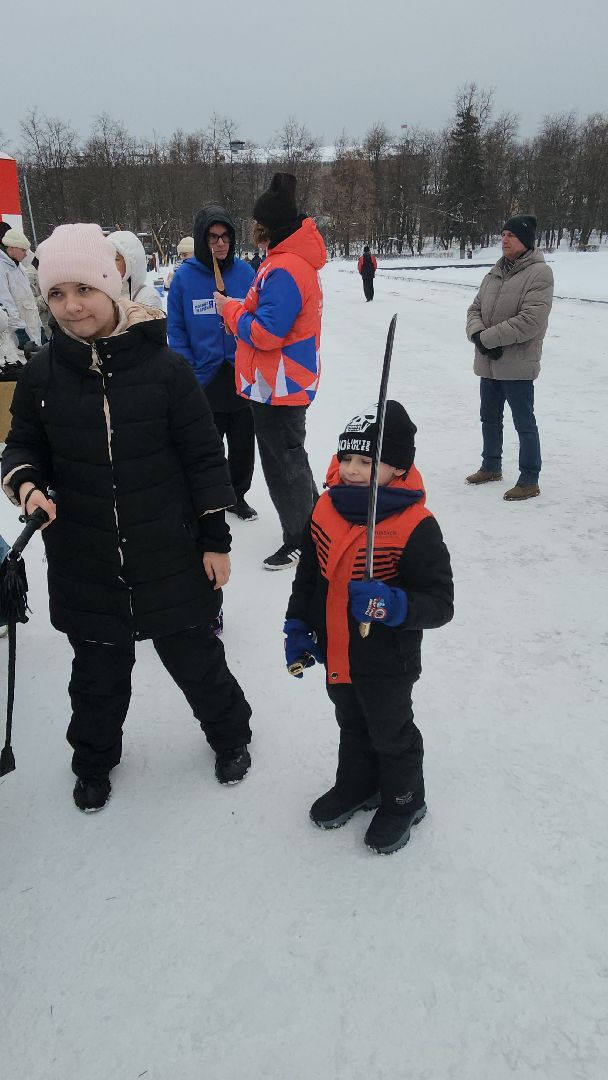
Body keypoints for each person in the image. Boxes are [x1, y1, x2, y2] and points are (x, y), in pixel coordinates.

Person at [1, 223, 253, 813]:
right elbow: (20, 448)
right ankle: (93, 762)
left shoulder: (165, 371)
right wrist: (28, 484)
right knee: (96, 677)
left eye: (82, 290)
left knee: (197, 660)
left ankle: (231, 735)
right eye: (56, 294)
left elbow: (203, 461)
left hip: (168, 550)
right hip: (84, 557)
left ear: (113, 288)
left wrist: (215, 541)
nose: (70, 306)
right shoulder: (42, 374)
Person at [283, 401, 454, 855]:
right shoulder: (325, 507)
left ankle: (403, 799)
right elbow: (309, 575)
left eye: (368, 461)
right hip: (336, 650)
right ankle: (358, 784)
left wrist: (392, 604)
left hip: (386, 660)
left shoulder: (415, 525)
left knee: (389, 730)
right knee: (351, 723)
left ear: (398, 468)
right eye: (347, 459)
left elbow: (440, 603)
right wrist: (298, 624)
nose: (353, 470)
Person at [215, 173, 326, 570]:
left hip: (279, 383)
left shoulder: (285, 268)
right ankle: (314, 525)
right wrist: (239, 309)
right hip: (277, 382)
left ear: (268, 229)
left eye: (257, 227)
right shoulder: (283, 263)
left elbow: (265, 332)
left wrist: (229, 311)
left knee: (283, 463)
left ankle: (300, 538)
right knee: (289, 457)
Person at [168, 205, 257, 522]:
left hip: (240, 374)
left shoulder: (245, 274)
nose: (220, 244)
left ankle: (237, 495)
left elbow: (257, 319)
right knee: (206, 445)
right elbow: (175, 328)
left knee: (244, 444)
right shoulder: (185, 278)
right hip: (203, 376)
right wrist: (187, 365)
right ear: (202, 240)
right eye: (213, 237)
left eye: (225, 237)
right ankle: (207, 496)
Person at [465, 214, 554, 501]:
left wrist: (488, 339)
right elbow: (474, 309)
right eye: (503, 234)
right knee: (488, 419)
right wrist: (478, 334)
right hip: (488, 364)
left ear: (525, 241)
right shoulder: (494, 272)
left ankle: (529, 479)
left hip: (516, 364)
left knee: (524, 423)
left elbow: (531, 320)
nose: (504, 240)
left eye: (511, 236)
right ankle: (491, 466)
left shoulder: (540, 274)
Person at [0, 228, 43, 350]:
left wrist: (40, 328)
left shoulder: (19, 269)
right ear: (12, 248)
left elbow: (30, 302)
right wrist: (19, 330)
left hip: (33, 332)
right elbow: (5, 302)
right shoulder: (2, 268)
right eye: (23, 250)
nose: (26, 254)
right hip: (17, 337)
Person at [107, 230, 164, 310]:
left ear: (131, 263)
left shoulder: (147, 298)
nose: (109, 263)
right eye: (107, 257)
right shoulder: (103, 293)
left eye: (116, 259)